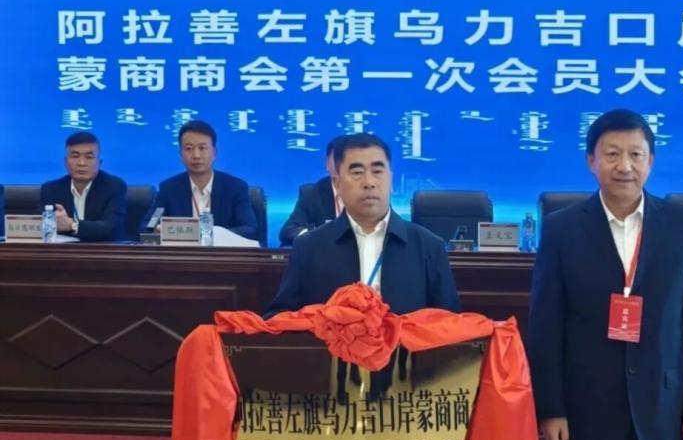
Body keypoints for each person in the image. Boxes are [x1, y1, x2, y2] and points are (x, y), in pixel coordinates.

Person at [527, 109, 683, 440]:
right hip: (585, 411)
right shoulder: (562, 229)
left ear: (651, 160)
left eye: (635, 154)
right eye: (612, 153)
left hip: (663, 409)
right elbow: (546, 325)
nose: (624, 166)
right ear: (591, 161)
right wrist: (550, 408)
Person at [266, 133, 461, 396]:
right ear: (337, 183)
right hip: (330, 390)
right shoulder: (309, 247)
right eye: (356, 172)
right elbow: (279, 320)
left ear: (390, 179)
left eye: (377, 171)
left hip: (407, 391)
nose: (369, 182)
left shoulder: (428, 246)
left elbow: (451, 325)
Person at [144, 120, 257, 240]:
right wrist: (157, 230)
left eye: (202, 148)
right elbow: (148, 226)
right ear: (181, 155)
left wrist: (207, 234)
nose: (196, 155)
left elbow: (249, 229)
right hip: (181, 251)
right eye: (189, 149)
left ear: (214, 153)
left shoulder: (235, 188)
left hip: (222, 250)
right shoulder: (168, 189)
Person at [40, 132, 127, 242]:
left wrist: (72, 225)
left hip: (103, 251)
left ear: (99, 162)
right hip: (64, 252)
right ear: (66, 162)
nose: (81, 163)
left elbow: (110, 228)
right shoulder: (50, 189)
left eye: (89, 157)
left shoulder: (114, 186)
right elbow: (39, 227)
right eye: (75, 156)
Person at [278, 136, 347, 246]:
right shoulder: (312, 194)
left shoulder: (368, 192)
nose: (342, 165)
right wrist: (316, 237)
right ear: (327, 164)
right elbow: (288, 231)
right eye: (337, 158)